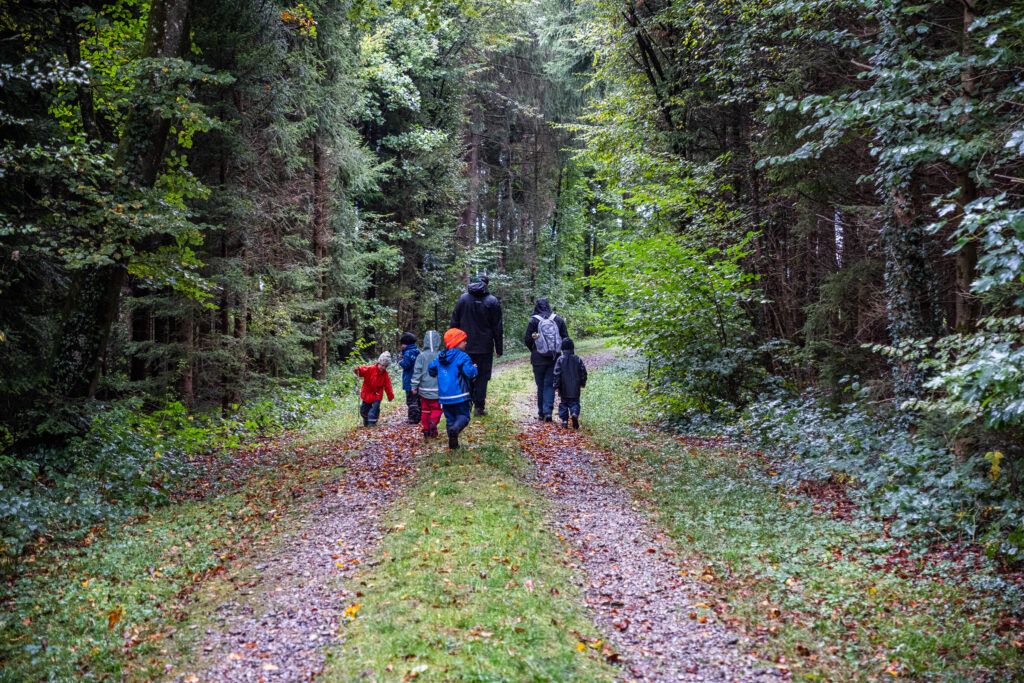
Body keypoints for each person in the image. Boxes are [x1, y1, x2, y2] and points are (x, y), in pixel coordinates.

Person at [449, 275, 502, 417]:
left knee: (465, 374)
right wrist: (499, 348)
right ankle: (479, 407)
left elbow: (454, 322)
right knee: (482, 376)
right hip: (485, 347)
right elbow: (497, 327)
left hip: (463, 345)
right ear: (487, 285)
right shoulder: (492, 301)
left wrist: (452, 343)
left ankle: (466, 406)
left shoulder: (463, 299)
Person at [428, 328, 479, 449]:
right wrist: (474, 368)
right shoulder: (462, 356)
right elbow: (469, 372)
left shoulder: (441, 356)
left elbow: (431, 369)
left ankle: (453, 443)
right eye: (463, 341)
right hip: (460, 394)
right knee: (464, 416)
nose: (466, 343)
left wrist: (438, 373)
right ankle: (455, 429)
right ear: (456, 343)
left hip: (445, 396)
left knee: (450, 418)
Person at [523, 298, 569, 421]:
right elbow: (566, 339)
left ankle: (541, 413)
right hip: (554, 358)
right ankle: (548, 412)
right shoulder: (558, 320)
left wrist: (534, 349)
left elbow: (527, 339)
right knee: (549, 384)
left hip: (538, 358)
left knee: (540, 385)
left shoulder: (534, 320)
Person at [410, 330, 443, 439]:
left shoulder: (421, 356)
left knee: (425, 410)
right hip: (438, 390)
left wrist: (414, 386)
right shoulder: (441, 355)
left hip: (424, 390)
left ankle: (426, 430)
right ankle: (433, 422)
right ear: (438, 341)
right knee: (436, 409)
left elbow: (417, 372)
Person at [553, 338, 587, 429]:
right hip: (575, 386)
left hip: (563, 386)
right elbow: (583, 371)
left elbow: (557, 373)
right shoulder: (577, 359)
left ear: (562, 348)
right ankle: (574, 413)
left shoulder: (560, 360)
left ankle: (564, 420)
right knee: (575, 402)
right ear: (572, 348)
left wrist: (556, 385)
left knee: (564, 403)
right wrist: (582, 382)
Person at [353, 352, 394, 427]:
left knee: (375, 408)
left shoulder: (385, 375)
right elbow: (361, 372)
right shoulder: (370, 369)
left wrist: (390, 395)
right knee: (364, 409)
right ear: (378, 363)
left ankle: (372, 423)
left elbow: (388, 386)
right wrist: (357, 370)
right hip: (367, 393)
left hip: (377, 394)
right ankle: (366, 422)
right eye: (382, 365)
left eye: (385, 366)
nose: (383, 368)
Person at [398, 332, 421, 424]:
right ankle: (419, 416)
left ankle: (413, 418)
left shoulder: (408, 352)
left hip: (409, 381)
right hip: (419, 379)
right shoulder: (418, 351)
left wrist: (399, 361)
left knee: (411, 400)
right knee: (418, 399)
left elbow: (406, 365)